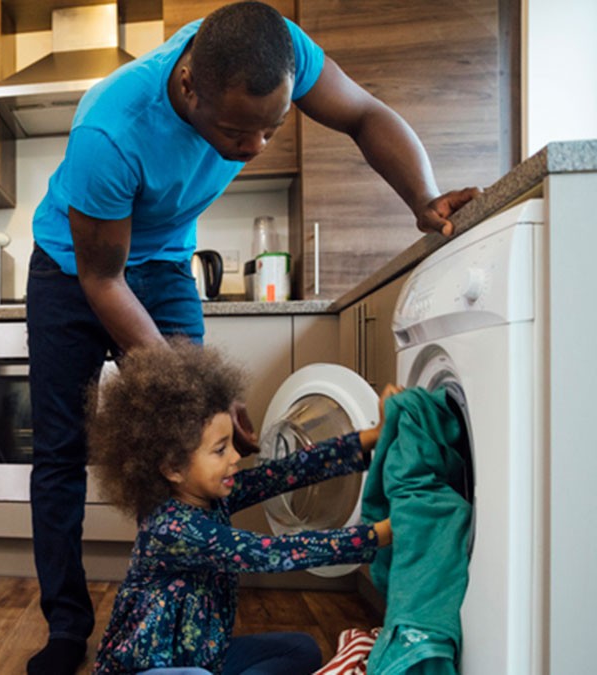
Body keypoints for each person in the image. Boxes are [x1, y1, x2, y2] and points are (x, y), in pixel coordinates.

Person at [24, 2, 478, 672]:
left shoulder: (277, 50)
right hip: (76, 271)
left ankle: (191, 621)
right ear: (188, 90)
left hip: (165, 264)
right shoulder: (112, 131)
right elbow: (103, 277)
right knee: (63, 452)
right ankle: (67, 629)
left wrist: (423, 197)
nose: (255, 147)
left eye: (272, 127)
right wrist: (195, 388)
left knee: (217, 452)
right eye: (238, 130)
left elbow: (363, 114)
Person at [87, 340, 394, 674]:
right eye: (220, 450)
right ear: (173, 468)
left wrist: (372, 436)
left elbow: (283, 474)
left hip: (203, 657)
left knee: (302, 649)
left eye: (230, 443)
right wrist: (376, 536)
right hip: (145, 670)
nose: (235, 457)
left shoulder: (212, 496)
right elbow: (271, 552)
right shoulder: (172, 529)